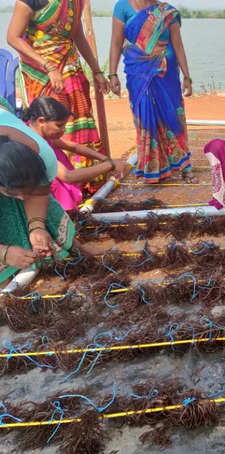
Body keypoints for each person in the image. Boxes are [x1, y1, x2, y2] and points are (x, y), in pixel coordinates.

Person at [7, 0, 109, 190]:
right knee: (53, 124)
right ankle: (60, 182)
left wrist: (97, 70)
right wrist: (48, 66)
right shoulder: (30, 1)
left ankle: (85, 181)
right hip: (42, 72)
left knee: (77, 120)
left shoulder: (73, 3)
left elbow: (78, 36)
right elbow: (13, 37)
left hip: (71, 69)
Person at [0, 98, 92, 285]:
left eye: (28, 192)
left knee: (47, 216)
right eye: (17, 194)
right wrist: (4, 253)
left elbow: (39, 192)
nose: (24, 199)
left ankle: (86, 261)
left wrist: (37, 226)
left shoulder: (43, 155)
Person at [108, 0, 194, 184]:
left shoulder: (167, 12)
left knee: (173, 117)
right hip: (137, 73)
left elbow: (178, 46)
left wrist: (187, 76)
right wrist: (112, 73)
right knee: (144, 119)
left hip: (166, 75)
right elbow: (116, 43)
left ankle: (185, 166)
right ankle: (155, 168)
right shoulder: (122, 7)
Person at [23, 97, 127, 212]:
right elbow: (68, 176)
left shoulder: (37, 131)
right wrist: (110, 165)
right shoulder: (34, 143)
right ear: (41, 121)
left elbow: (74, 147)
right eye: (59, 125)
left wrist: (105, 158)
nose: (63, 130)